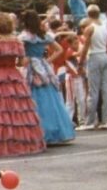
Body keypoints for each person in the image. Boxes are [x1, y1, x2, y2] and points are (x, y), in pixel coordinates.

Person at [0, 12, 46, 158]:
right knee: (17, 109)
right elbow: (20, 62)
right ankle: (19, 141)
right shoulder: (16, 41)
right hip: (13, 75)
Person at [21, 9, 75, 144]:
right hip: (44, 66)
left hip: (31, 68)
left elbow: (22, 55)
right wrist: (47, 61)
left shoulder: (25, 37)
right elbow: (59, 49)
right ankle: (57, 130)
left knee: (34, 98)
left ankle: (38, 132)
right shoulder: (44, 35)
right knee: (52, 99)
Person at [78, 4, 107, 130]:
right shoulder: (105, 26)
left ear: (88, 14)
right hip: (104, 56)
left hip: (94, 56)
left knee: (93, 91)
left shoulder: (89, 28)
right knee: (105, 90)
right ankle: (105, 120)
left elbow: (86, 47)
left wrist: (80, 63)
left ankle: (90, 121)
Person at [64, 33, 87, 127]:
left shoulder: (76, 54)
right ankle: (67, 121)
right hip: (71, 78)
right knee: (70, 101)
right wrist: (86, 46)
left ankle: (82, 119)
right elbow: (78, 53)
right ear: (70, 44)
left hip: (78, 78)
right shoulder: (69, 51)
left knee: (81, 99)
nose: (77, 46)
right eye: (74, 44)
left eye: (78, 43)